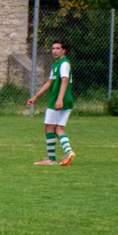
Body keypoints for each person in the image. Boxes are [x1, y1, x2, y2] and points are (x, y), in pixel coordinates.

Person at [29, 38, 74, 166]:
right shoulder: (56, 65)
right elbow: (49, 82)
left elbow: (65, 81)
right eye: (53, 48)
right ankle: (69, 152)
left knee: (49, 128)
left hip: (58, 100)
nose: (54, 51)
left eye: (58, 48)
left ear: (64, 50)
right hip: (67, 100)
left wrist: (59, 99)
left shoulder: (64, 64)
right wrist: (36, 96)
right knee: (58, 128)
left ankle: (51, 159)